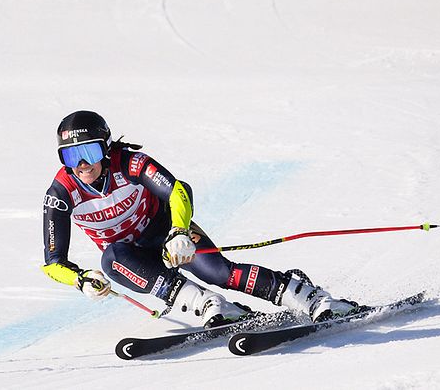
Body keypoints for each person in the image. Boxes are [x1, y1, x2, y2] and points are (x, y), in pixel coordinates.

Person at [41, 110, 361, 328]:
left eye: (90, 153)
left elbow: (178, 190)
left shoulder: (130, 164)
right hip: (132, 255)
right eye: (71, 156)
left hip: (167, 232)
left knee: (219, 272)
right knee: (112, 260)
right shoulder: (62, 192)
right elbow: (53, 261)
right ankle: (210, 305)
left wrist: (179, 231)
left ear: (106, 149)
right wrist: (80, 279)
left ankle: (309, 296)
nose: (82, 165)